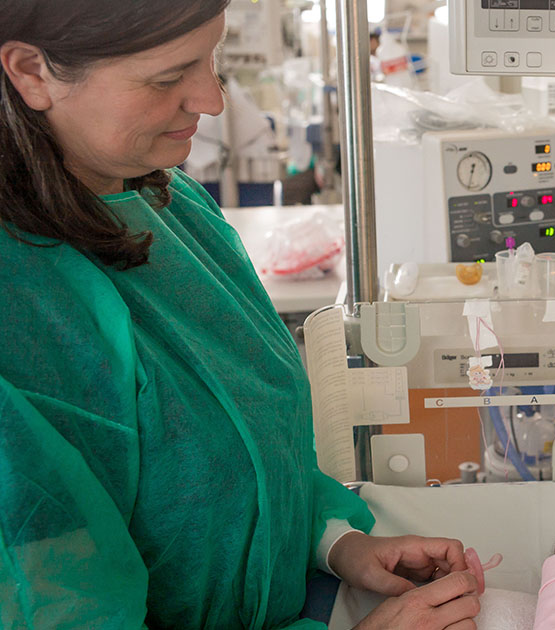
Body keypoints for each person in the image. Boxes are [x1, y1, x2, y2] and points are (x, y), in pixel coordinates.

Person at [0, 2, 479, 628]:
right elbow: (52, 599)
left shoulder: (171, 206)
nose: (212, 100)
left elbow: (248, 454)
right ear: (31, 72)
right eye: (167, 77)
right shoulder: (21, 307)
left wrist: (337, 543)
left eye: (212, 59)